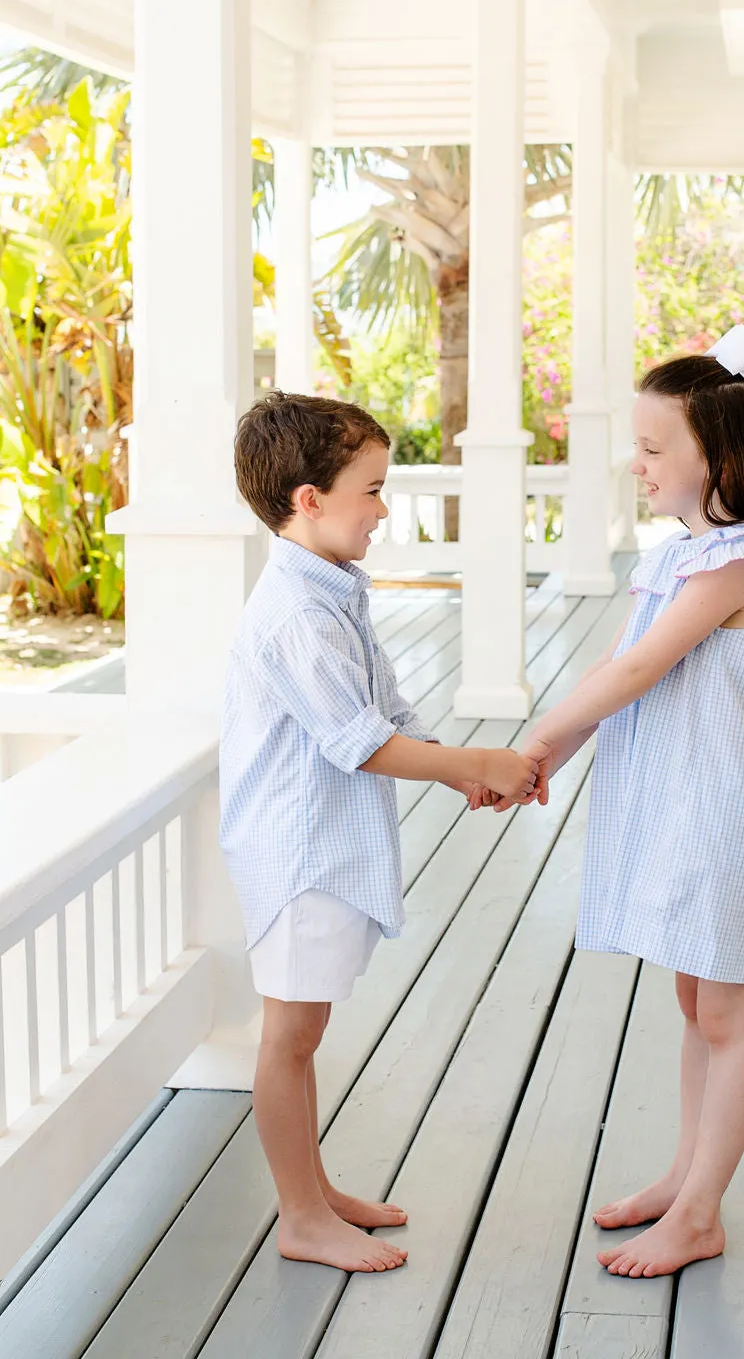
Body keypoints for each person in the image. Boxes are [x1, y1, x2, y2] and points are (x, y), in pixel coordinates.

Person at [473, 325, 744, 1280]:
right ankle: (684, 1173)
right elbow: (621, 679)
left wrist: (534, 739)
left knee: (726, 1010)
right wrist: (547, 758)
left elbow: (640, 666)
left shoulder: (737, 565)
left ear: (724, 457)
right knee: (694, 996)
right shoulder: (676, 557)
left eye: (656, 448)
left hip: (729, 809)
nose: (637, 463)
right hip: (681, 801)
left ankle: (701, 1210)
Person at [220, 392, 540, 1275]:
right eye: (370, 489)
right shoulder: (296, 615)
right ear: (307, 499)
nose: (383, 506)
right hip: (297, 853)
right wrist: (473, 764)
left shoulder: (331, 590)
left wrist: (454, 766)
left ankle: (313, 1191)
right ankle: (299, 1216)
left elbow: (387, 710)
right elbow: (358, 744)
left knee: (307, 1030)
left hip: (322, 842)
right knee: (289, 1037)